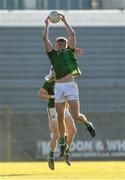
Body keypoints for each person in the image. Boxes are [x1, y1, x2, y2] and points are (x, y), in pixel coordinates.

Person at [42, 13, 96, 158]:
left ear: (66, 46)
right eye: (59, 43)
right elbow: (45, 39)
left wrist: (65, 21)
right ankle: (62, 143)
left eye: (63, 44)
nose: (61, 45)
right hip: (58, 87)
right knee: (60, 116)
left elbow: (72, 34)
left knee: (75, 115)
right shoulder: (52, 55)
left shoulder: (71, 52)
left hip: (70, 85)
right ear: (56, 45)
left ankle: (87, 124)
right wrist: (47, 25)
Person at [38, 70, 77, 170]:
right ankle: (51, 157)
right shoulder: (49, 83)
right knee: (56, 134)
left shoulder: (65, 81)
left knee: (72, 130)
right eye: (55, 70)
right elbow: (40, 94)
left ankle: (66, 152)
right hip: (53, 109)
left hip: (64, 109)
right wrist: (53, 97)